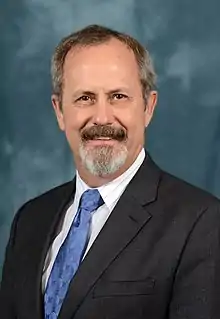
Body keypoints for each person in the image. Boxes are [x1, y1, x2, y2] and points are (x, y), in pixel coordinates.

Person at [0, 24, 220, 319]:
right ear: (60, 112)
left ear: (148, 108)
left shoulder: (202, 223)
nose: (102, 117)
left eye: (118, 96)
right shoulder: (29, 220)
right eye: (85, 98)